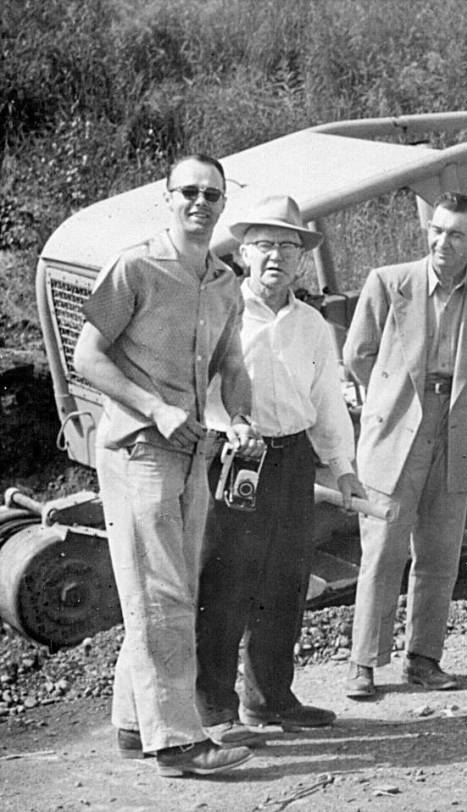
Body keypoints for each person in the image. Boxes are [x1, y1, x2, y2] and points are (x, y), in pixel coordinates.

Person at [73, 155, 262, 777]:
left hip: (193, 451)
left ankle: (136, 724)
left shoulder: (224, 281)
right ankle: (178, 742)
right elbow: (89, 357)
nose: (199, 203)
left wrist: (238, 416)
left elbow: (231, 365)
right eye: (188, 192)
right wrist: (154, 408)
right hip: (137, 448)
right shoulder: (135, 266)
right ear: (166, 197)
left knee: (168, 587)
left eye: (211, 193)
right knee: (160, 593)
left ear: (223, 202)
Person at [194, 195, 365, 740]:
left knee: (284, 582)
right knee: (223, 583)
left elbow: (327, 401)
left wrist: (342, 468)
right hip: (231, 458)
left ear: (301, 260)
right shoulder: (219, 310)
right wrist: (224, 424)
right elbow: (197, 385)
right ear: (243, 253)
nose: (276, 257)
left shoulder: (312, 324)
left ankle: (270, 699)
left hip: (292, 460)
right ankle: (215, 709)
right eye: (265, 245)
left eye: (288, 247)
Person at [341, 193, 467, 699]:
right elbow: (358, 354)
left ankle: (424, 659)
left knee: (440, 553)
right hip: (397, 428)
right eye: (436, 231)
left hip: (458, 428)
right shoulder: (389, 282)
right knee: (383, 550)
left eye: (455, 234)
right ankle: (363, 663)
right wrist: (392, 402)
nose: (442, 242)